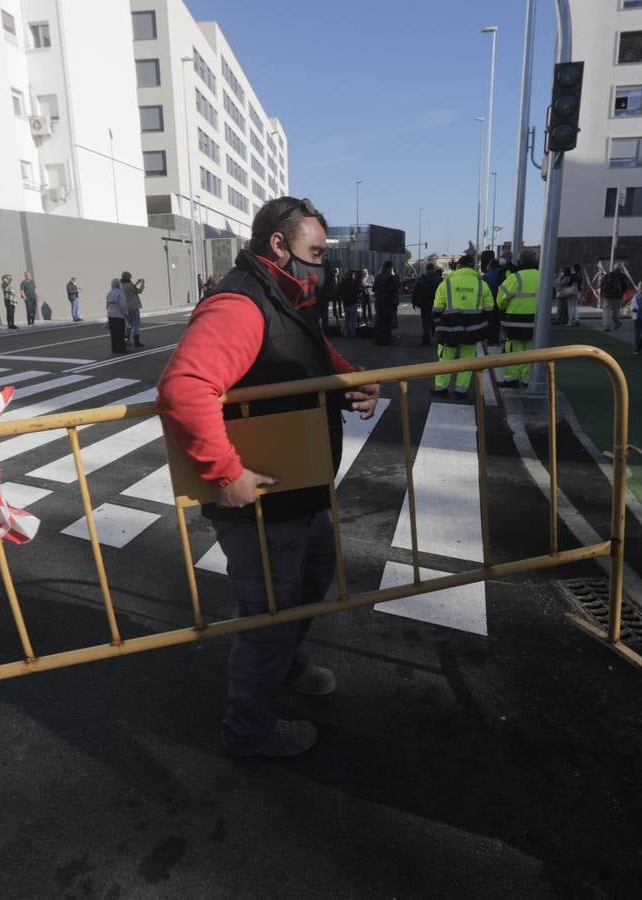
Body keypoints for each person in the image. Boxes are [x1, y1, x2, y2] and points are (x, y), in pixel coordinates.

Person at [157, 196, 379, 758]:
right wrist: (225, 473)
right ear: (278, 245)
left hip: (298, 483)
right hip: (260, 494)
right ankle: (248, 731)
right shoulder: (240, 303)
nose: (322, 266)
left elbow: (317, 353)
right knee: (270, 616)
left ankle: (287, 663)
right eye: (316, 253)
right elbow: (184, 390)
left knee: (309, 584)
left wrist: (354, 379)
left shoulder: (286, 296)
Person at [431, 252, 490, 397]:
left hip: (449, 329)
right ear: (473, 267)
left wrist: (439, 324)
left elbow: (437, 308)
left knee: (445, 358)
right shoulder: (482, 284)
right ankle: (460, 390)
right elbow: (489, 308)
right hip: (473, 329)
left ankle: (441, 388)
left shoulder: (447, 284)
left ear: (458, 266)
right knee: (467, 359)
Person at [496, 249, 539, 387]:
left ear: (520, 261)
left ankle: (512, 379)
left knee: (514, 351)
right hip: (536, 322)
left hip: (515, 322)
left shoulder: (516, 277)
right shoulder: (543, 276)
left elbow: (501, 300)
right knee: (531, 352)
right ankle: (527, 380)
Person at [411, 263, 441, 346]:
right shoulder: (438, 278)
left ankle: (425, 337)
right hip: (436, 302)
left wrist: (414, 302)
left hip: (424, 303)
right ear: (433, 269)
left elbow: (415, 290)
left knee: (425, 321)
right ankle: (436, 334)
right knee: (436, 319)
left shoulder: (421, 278)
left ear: (426, 269)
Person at [598, 263, 635, 332]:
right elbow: (625, 288)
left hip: (607, 296)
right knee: (616, 311)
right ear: (621, 269)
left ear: (613, 268)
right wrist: (621, 293)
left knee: (606, 311)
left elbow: (602, 285)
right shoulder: (623, 276)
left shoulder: (608, 275)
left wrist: (604, 293)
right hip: (618, 296)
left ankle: (606, 326)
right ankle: (617, 323)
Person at [372, 260, 399, 345]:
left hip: (379, 302)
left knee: (379, 320)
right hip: (388, 302)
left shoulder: (378, 276)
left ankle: (378, 338)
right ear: (390, 267)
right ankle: (385, 339)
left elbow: (373, 288)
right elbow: (395, 288)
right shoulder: (390, 277)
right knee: (387, 321)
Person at [120, 271, 145, 348]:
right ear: (128, 277)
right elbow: (139, 291)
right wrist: (142, 283)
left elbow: (130, 289)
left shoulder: (121, 285)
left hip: (125, 307)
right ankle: (136, 342)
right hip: (133, 307)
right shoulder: (130, 285)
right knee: (136, 324)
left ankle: (126, 340)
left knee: (129, 325)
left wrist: (136, 283)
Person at [105, 277, 128, 354]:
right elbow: (123, 305)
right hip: (119, 315)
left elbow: (107, 305)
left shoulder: (109, 293)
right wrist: (126, 314)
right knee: (120, 333)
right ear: (118, 284)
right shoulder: (120, 292)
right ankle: (121, 349)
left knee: (114, 333)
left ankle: (115, 349)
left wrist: (108, 313)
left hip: (110, 315)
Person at [339, 268, 361, 338]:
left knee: (347, 319)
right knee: (353, 319)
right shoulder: (352, 283)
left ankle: (347, 333)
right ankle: (352, 333)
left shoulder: (342, 282)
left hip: (345, 302)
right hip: (352, 302)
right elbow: (356, 290)